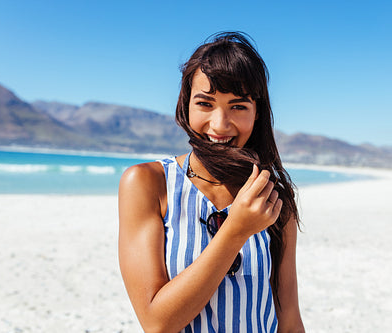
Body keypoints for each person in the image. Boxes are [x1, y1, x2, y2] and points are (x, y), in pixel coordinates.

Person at [118, 32, 304, 332]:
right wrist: (235, 231)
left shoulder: (272, 199)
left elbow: (290, 321)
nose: (220, 124)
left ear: (257, 113)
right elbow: (157, 323)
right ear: (185, 106)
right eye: (205, 104)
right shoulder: (148, 184)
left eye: (238, 106)